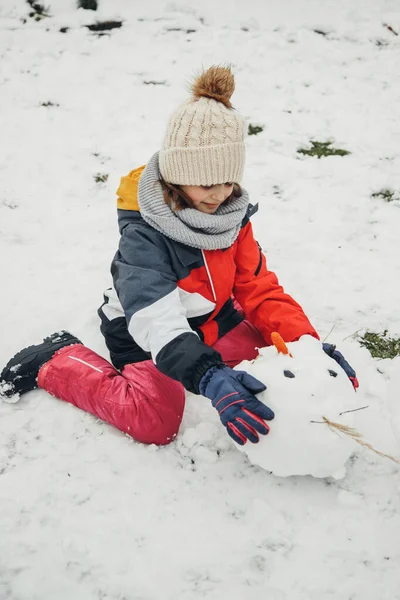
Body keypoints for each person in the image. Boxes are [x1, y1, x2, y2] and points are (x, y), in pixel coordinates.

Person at [0, 66, 358, 447]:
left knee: (279, 357)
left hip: (211, 317)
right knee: (154, 421)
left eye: (228, 181)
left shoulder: (231, 217)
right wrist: (206, 374)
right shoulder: (144, 236)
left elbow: (259, 288)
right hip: (145, 329)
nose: (219, 194)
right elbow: (158, 317)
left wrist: (306, 347)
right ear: (175, 175)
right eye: (206, 183)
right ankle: (56, 358)